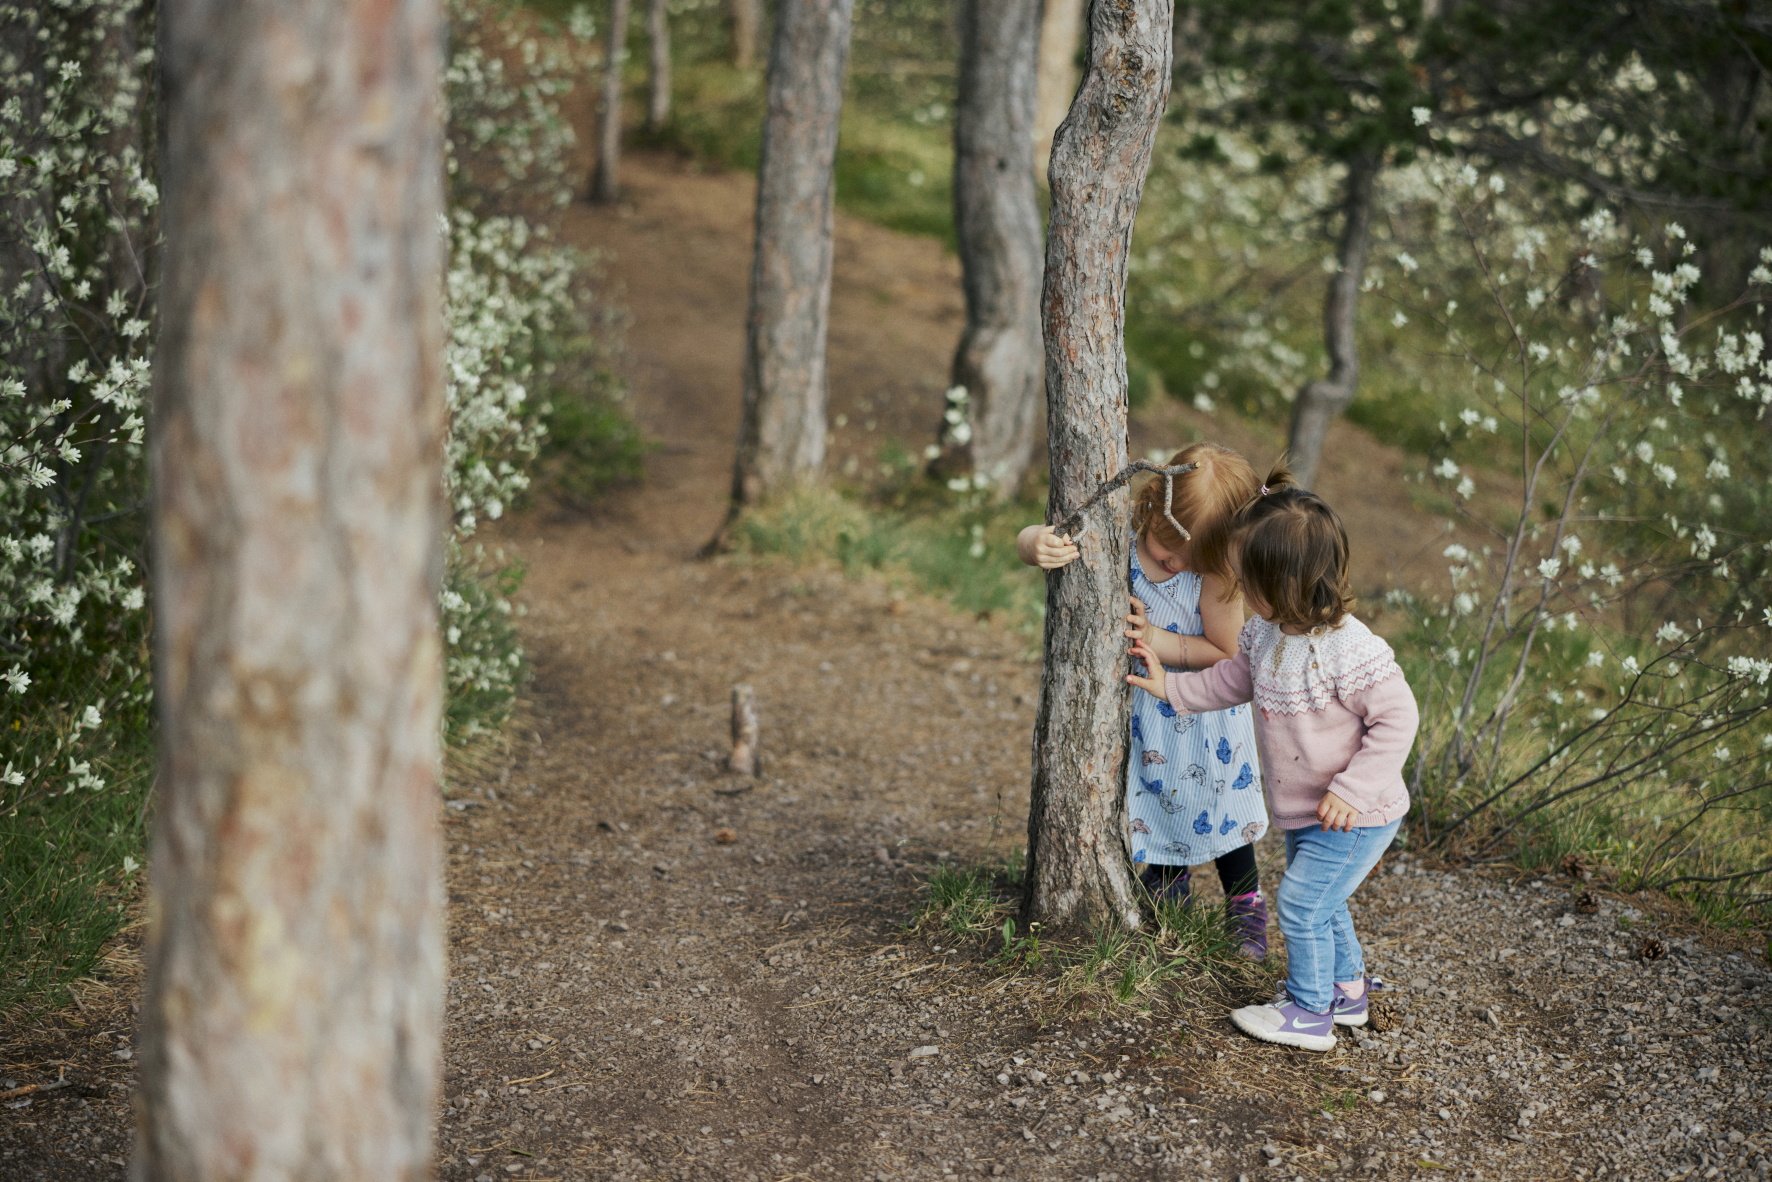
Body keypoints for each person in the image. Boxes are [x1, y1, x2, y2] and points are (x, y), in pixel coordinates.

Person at [1127, 467, 1418, 1051]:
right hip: (1308, 811)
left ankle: (1309, 1012)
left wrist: (1353, 791)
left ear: (1283, 583)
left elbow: (1399, 720)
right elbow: (1231, 680)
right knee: (1325, 900)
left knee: (1303, 902)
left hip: (1356, 812)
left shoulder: (1351, 650)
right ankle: (1347, 992)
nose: (1233, 585)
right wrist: (1170, 690)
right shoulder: (1267, 634)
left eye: (1246, 577)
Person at [1018, 443, 1271, 958]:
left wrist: (1159, 642)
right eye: (1166, 549)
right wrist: (1033, 543)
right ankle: (1167, 887)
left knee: (1221, 808)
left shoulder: (1217, 574)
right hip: (1146, 715)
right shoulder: (1120, 539)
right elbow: (1048, 536)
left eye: (1190, 559)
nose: (1175, 563)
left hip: (1203, 712)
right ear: (1151, 506)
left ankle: (1245, 903)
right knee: (1157, 797)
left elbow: (1225, 652)